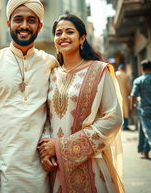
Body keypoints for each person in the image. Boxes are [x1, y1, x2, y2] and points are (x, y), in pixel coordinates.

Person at [0, 0, 57, 193]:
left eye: (31, 20)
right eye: (18, 19)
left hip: (40, 167)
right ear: (8, 23)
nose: (24, 25)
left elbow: (56, 111)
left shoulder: (50, 63)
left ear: (39, 26)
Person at [38, 14, 124, 193]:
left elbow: (114, 118)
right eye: (58, 33)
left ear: (82, 38)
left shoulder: (99, 70)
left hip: (91, 163)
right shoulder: (51, 74)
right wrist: (46, 149)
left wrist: (62, 147)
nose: (63, 36)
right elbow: (44, 115)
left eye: (69, 32)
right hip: (55, 167)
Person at [116, 64, 131, 130]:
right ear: (123, 69)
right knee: (125, 109)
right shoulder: (126, 75)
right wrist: (130, 93)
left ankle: (117, 126)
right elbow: (128, 86)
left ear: (119, 69)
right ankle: (125, 125)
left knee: (117, 109)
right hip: (124, 94)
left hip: (116, 94)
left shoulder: (115, 74)